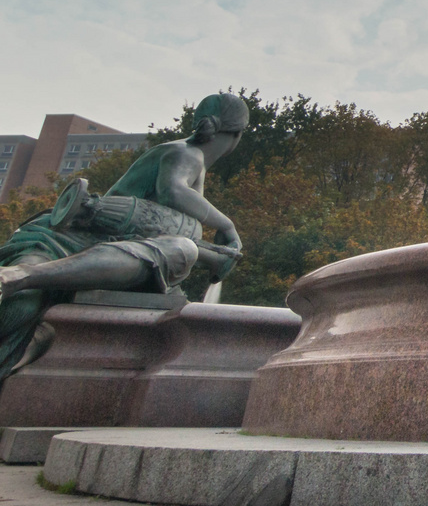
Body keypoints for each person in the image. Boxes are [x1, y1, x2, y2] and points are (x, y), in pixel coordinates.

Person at [0, 92, 249, 380]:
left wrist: (212, 255)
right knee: (19, 305)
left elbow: (155, 233)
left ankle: (22, 280)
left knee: (182, 249)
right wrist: (227, 226)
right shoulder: (186, 154)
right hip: (68, 241)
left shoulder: (186, 154)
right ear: (236, 135)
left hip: (88, 247)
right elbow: (173, 190)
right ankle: (20, 277)